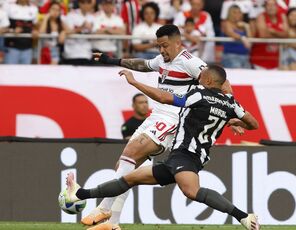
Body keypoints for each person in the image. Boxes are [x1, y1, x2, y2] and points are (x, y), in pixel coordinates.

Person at [66, 64, 260, 230]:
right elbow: (253, 124)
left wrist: (134, 82)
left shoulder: (198, 94)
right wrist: (234, 122)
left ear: (208, 80)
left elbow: (164, 98)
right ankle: (80, 194)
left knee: (191, 191)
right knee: (129, 179)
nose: (199, 79)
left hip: (185, 155)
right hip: (183, 157)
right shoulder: (231, 104)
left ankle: (244, 216)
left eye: (202, 76)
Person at [81, 24, 209, 229]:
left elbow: (220, 84)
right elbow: (143, 64)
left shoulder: (192, 63)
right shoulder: (162, 60)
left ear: (178, 43)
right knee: (125, 167)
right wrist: (111, 60)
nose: (161, 51)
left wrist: (230, 112)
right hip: (156, 116)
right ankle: (112, 223)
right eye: (159, 46)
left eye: (165, 46)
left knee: (131, 153)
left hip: (174, 118)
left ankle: (105, 207)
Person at [221, 4, 252, 69]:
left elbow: (250, 38)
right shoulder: (226, 23)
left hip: (245, 56)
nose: (237, 14)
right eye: (234, 12)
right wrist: (242, 38)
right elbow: (230, 33)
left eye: (239, 12)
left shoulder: (242, 25)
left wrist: (247, 27)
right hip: (231, 56)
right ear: (230, 14)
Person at [39, 0, 68, 64]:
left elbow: (70, 30)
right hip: (44, 51)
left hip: (56, 51)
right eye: (53, 9)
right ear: (49, 10)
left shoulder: (61, 22)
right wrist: (46, 18)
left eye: (58, 10)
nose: (55, 12)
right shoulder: (44, 22)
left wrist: (64, 32)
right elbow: (41, 32)